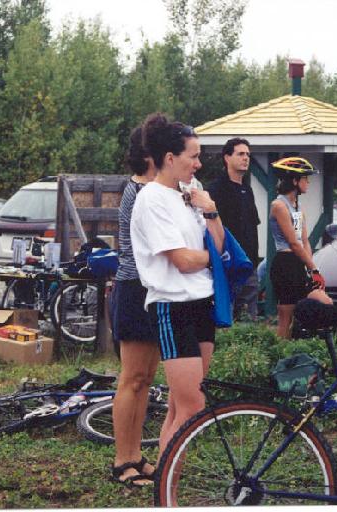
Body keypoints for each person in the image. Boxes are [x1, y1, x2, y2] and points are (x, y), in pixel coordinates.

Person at [130, 113, 224, 455]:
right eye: (193, 156)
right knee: (192, 408)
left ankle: (167, 477)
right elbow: (183, 261)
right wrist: (213, 259)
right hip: (173, 306)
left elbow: (219, 245)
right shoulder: (151, 198)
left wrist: (211, 210)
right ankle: (167, 483)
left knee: (180, 407)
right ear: (170, 158)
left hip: (202, 303)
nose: (198, 164)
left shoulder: (190, 194)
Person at [108, 126, 160, 487]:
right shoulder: (139, 191)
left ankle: (136, 454)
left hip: (153, 289)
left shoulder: (155, 189)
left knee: (146, 379)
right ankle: (121, 461)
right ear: (148, 154)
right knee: (131, 378)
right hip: (133, 289)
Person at [268, 156, 325, 339]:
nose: (308, 182)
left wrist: (309, 267)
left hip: (299, 261)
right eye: (305, 178)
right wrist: (313, 268)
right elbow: (293, 242)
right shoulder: (279, 205)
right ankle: (280, 351)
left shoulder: (298, 207)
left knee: (305, 310)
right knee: (286, 314)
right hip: (285, 262)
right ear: (294, 180)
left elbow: (304, 240)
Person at [207, 138, 261, 320]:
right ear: (227, 157)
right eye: (240, 154)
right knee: (226, 317)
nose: (246, 158)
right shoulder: (215, 190)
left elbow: (253, 227)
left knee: (249, 319)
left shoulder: (248, 190)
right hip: (226, 263)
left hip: (248, 264)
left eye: (248, 155)